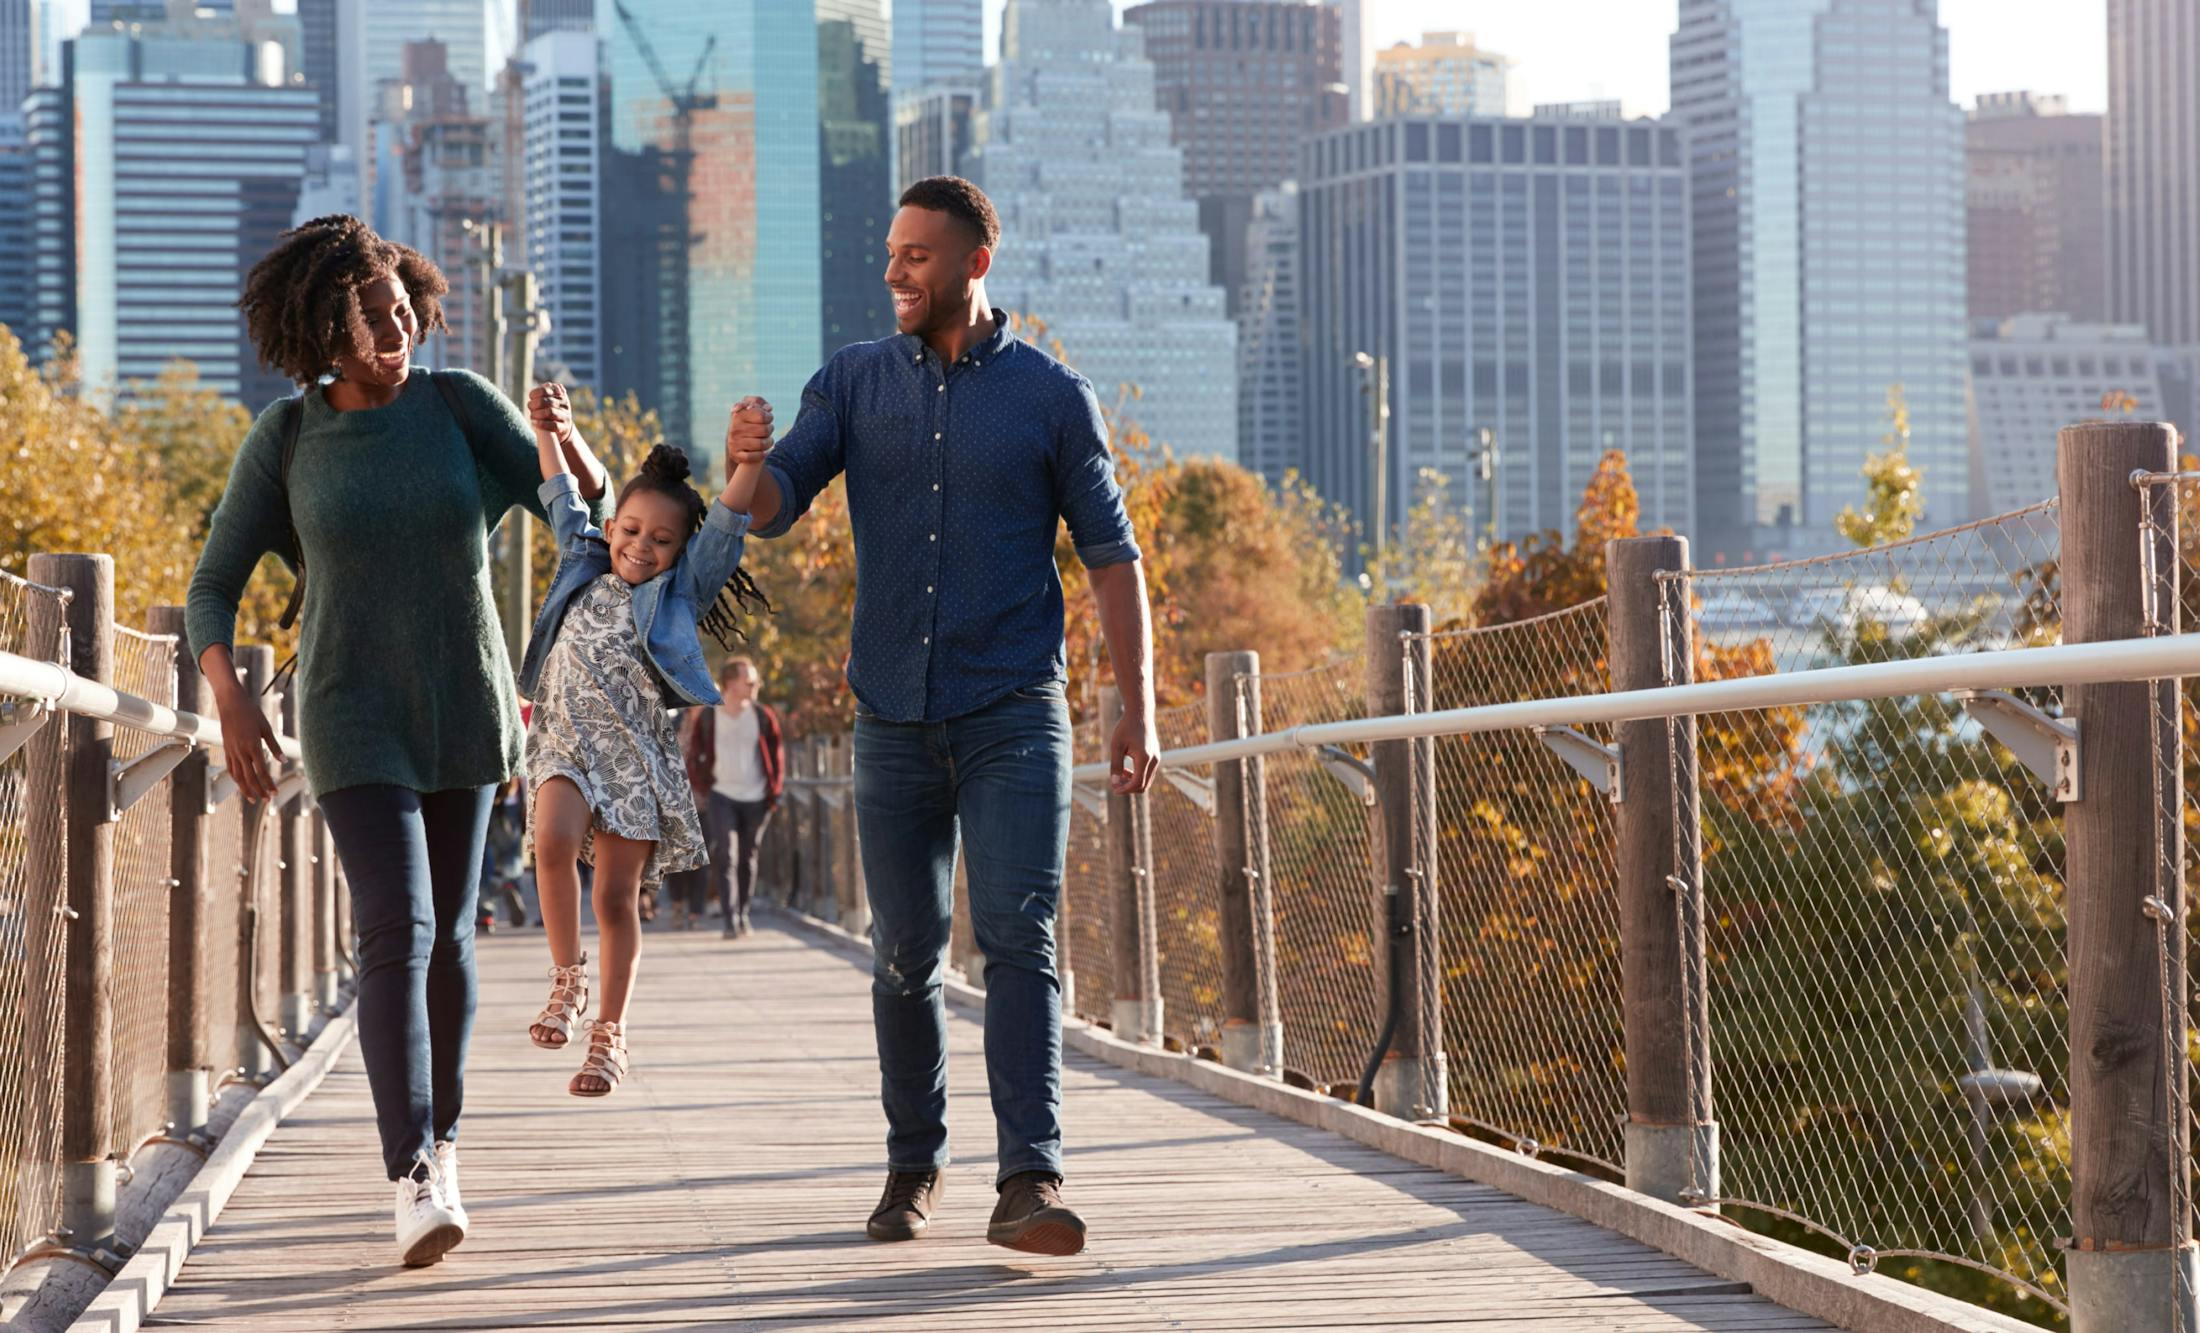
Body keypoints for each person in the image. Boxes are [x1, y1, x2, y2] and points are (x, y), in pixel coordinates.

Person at [731, 176, 1160, 1258]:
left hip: (1015, 708)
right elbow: (781, 499)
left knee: (1020, 935)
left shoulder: (1053, 398)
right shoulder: (852, 381)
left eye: (917, 255)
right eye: (890, 254)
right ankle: (913, 1159)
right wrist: (745, 470)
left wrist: (1135, 711)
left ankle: (1029, 1178)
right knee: (902, 954)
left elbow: (1114, 559)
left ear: (974, 262)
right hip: (890, 714)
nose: (894, 272)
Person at [187, 215, 613, 1268]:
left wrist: (573, 448)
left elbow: (577, 506)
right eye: (372, 315)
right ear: (326, 326)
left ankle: (449, 1142)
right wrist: (233, 702)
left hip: (463, 705)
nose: (399, 328)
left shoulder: (460, 406)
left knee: (453, 940)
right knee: (398, 927)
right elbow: (211, 586)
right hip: (349, 711)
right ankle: (412, 1173)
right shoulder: (287, 439)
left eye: (404, 309)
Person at [517, 384, 771, 1098]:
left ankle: (609, 1036)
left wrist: (748, 458)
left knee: (616, 899)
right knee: (552, 841)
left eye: (660, 540)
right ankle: (567, 982)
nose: (639, 546)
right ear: (613, 523)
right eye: (629, 529)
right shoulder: (583, 556)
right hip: (567, 740)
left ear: (679, 550)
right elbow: (560, 492)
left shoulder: (681, 591)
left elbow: (726, 521)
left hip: (634, 755)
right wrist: (551, 429)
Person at [676, 658, 784, 938]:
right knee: (726, 855)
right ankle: (729, 918)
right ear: (731, 684)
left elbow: (777, 756)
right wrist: (704, 785)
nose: (755, 685)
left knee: (748, 857)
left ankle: (743, 912)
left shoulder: (763, 715)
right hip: (722, 794)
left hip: (757, 797)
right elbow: (695, 753)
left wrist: (774, 792)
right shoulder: (711, 716)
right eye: (749, 681)